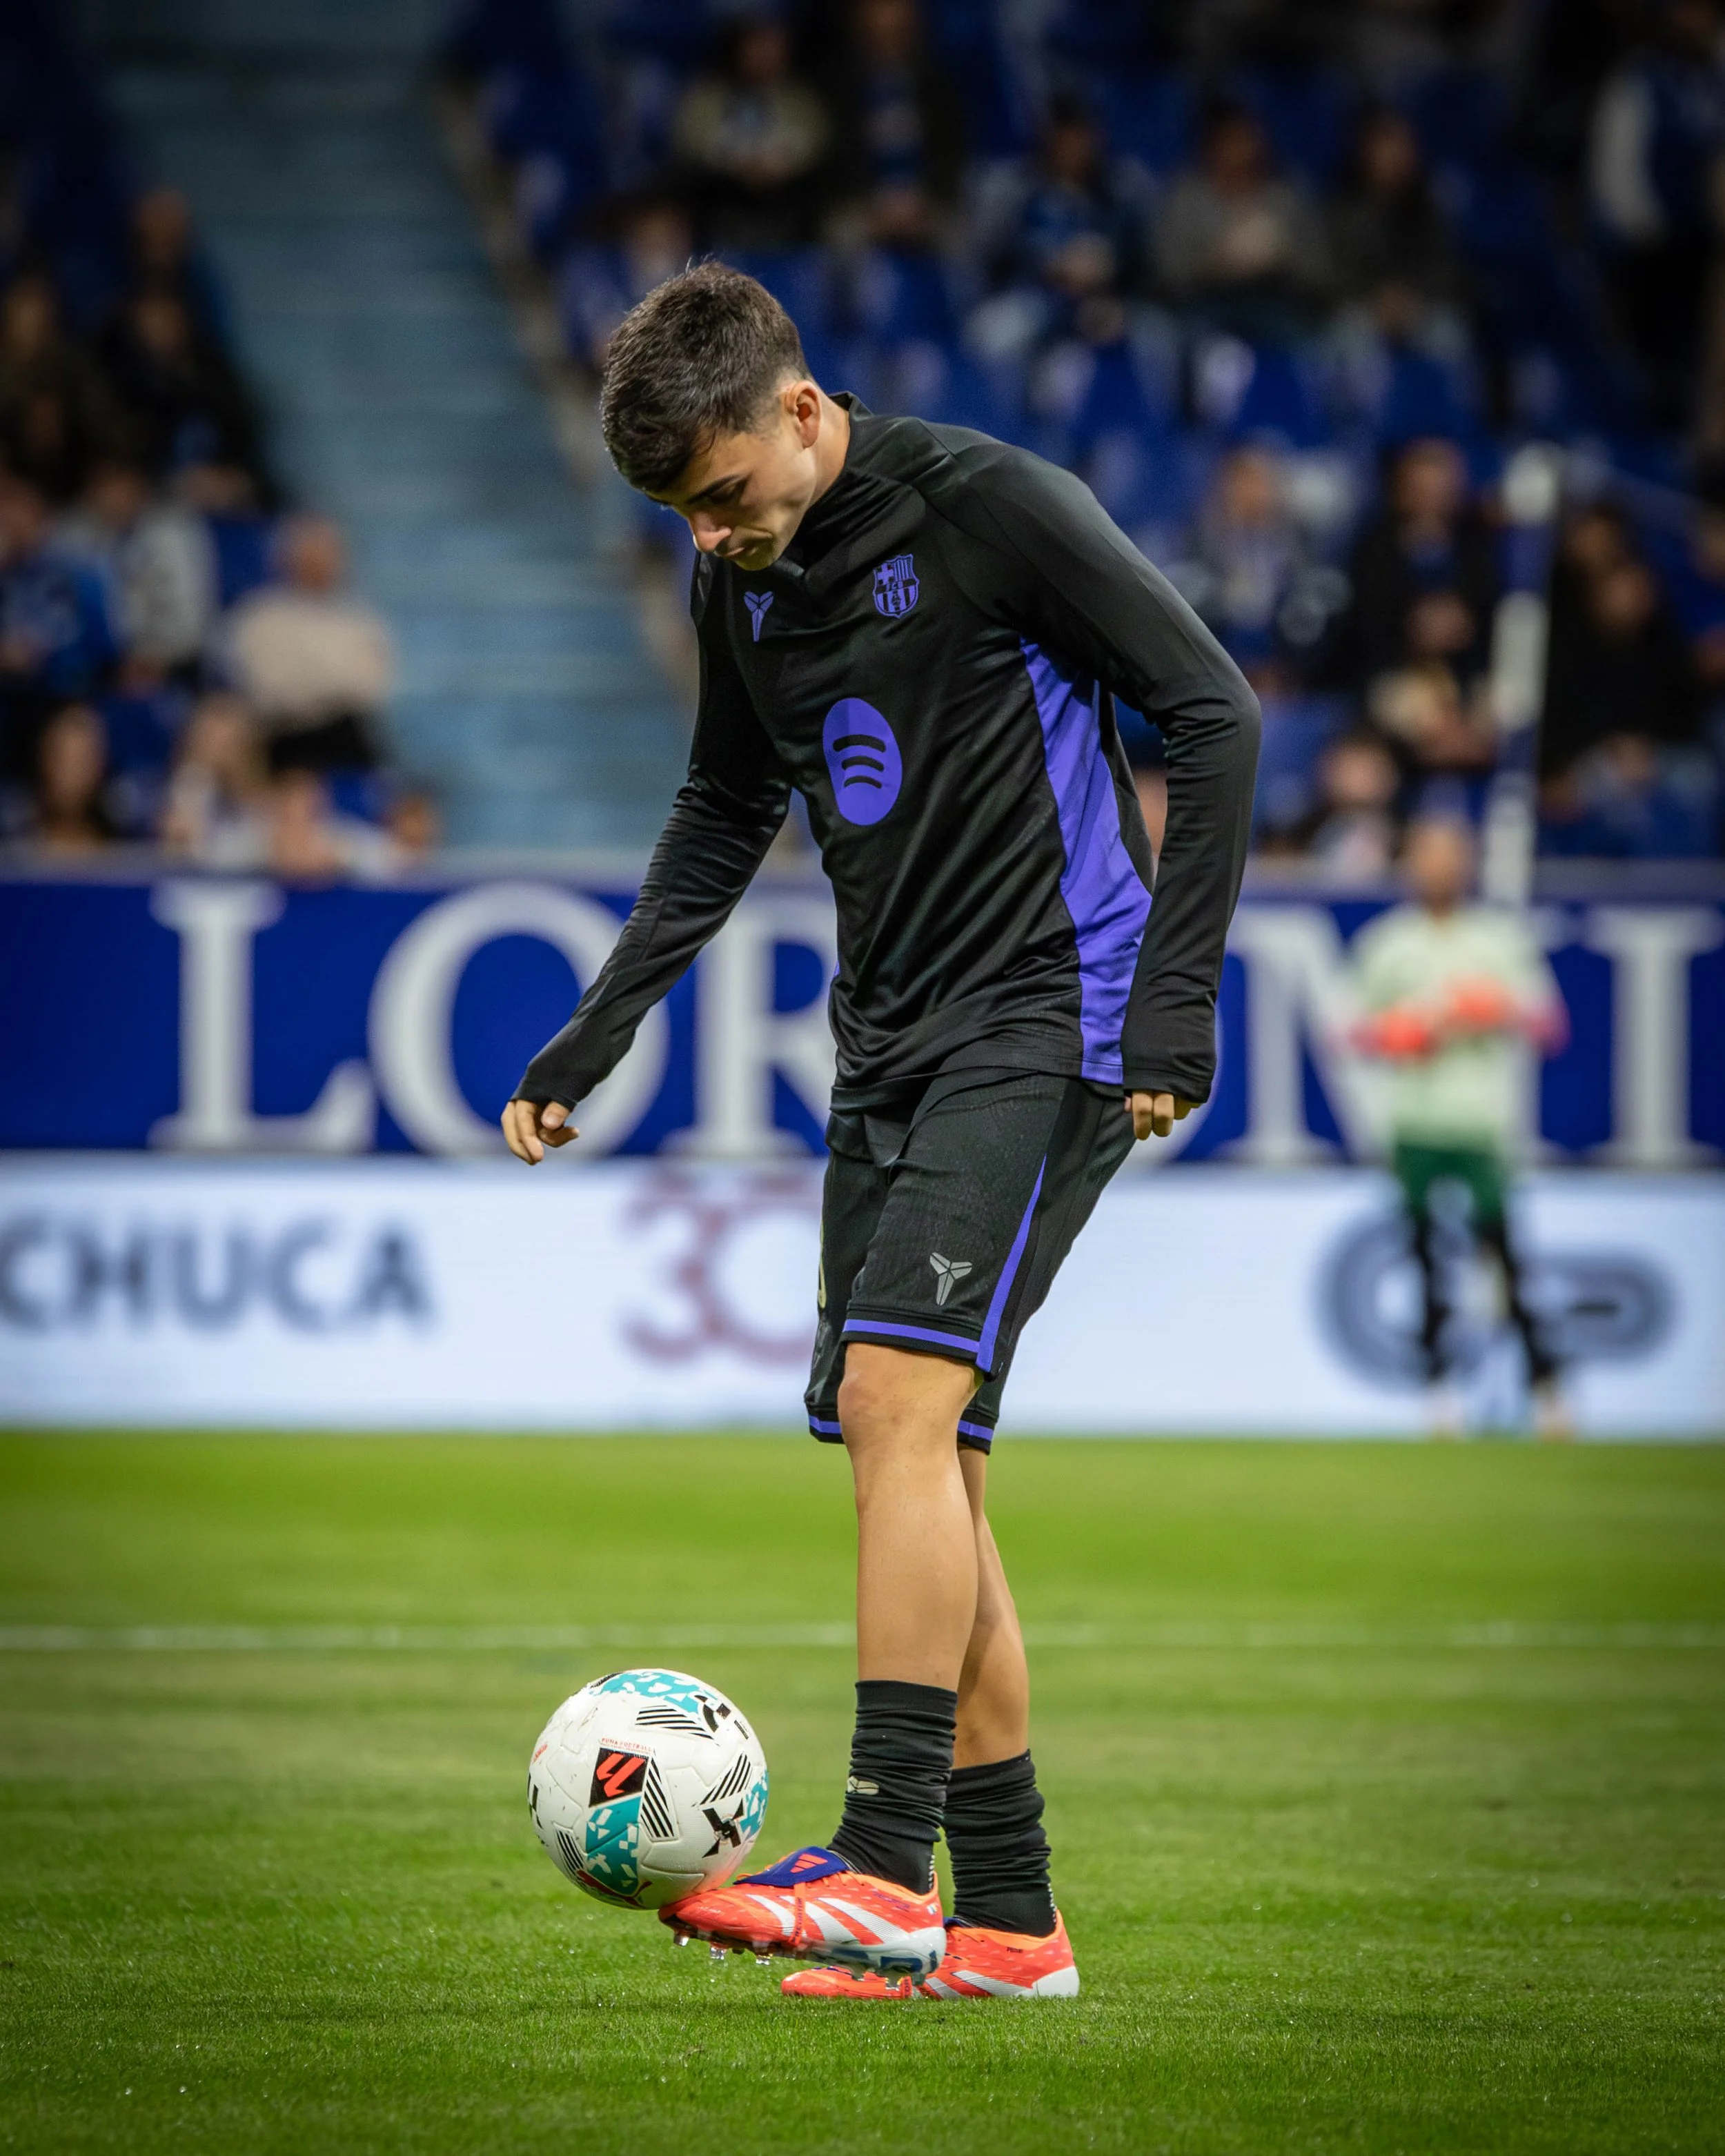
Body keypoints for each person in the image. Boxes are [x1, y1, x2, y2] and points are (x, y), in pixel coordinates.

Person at [503, 264, 1259, 1999]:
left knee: (894, 1407)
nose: (710, 536)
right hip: (892, 1049)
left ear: (804, 409)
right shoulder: (741, 580)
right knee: (928, 1460)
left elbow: (1214, 711)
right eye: (682, 515)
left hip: (1052, 1016)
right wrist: (597, 1031)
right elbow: (719, 804)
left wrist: (1176, 1006)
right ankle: (1006, 1922)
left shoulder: (991, 511)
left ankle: (880, 1862)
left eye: (723, 495)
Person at [1350, 816, 1571, 1438]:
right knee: (1425, 1263)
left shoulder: (1498, 939)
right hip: (1416, 1123)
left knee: (1507, 1260)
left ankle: (1545, 1385)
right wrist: (1398, 1032)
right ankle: (1439, 1389)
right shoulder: (1389, 943)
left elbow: (1549, 1022)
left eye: (1449, 855)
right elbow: (1355, 1027)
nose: (1439, 867)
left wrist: (1494, 1009)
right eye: (1427, 854)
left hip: (1480, 1125)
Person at [222, 515, 394, 771]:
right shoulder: (259, 618)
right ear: (289, 558)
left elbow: (370, 688)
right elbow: (268, 687)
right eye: (311, 552)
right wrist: (333, 682)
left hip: (346, 740)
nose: (320, 562)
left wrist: (309, 677)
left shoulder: (362, 622)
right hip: (282, 742)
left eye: (328, 552)